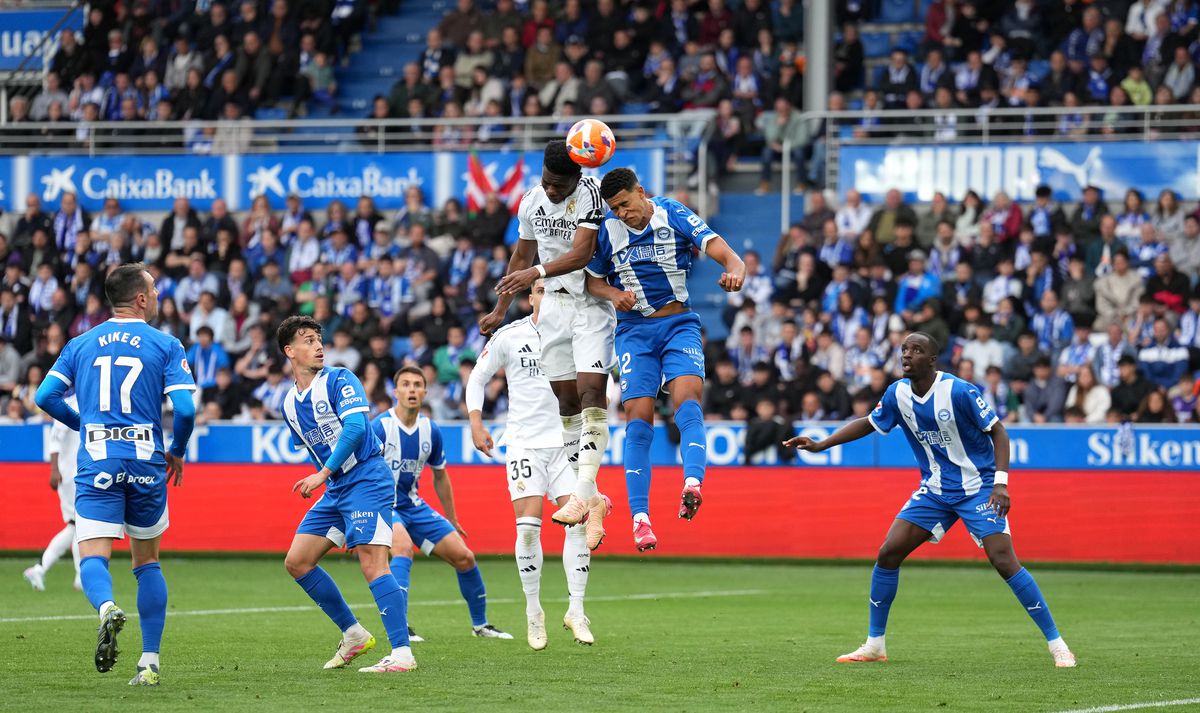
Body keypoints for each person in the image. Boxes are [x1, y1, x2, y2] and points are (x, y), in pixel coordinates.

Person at [783, 332, 1076, 668]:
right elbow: (869, 423)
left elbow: (999, 431)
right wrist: (821, 444)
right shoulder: (898, 393)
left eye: (916, 350)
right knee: (888, 552)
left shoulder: (959, 390)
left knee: (1003, 560)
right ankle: (874, 645)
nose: (907, 355)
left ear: (933, 360)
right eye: (904, 349)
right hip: (935, 489)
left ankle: (1058, 644)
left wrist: (1001, 484)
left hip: (977, 487)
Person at [34, 262, 198, 685]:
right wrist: (176, 452)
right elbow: (184, 409)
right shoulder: (166, 344)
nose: (159, 295)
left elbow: (44, 396)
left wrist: (82, 424)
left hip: (98, 459)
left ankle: (107, 608)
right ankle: (149, 662)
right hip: (145, 459)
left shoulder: (81, 343)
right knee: (147, 562)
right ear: (141, 298)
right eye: (155, 289)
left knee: (93, 556)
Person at [585, 167, 746, 551]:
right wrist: (612, 294)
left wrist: (735, 268)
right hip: (633, 333)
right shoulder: (608, 230)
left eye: (625, 204)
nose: (622, 213)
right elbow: (591, 280)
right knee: (638, 418)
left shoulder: (671, 212)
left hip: (678, 324)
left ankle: (692, 483)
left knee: (687, 403)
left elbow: (719, 248)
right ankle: (640, 519)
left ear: (641, 192)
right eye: (615, 208)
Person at [482, 140, 615, 551]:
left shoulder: (591, 194)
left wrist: (535, 271)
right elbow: (521, 256)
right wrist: (502, 307)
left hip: (589, 301)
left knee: (593, 390)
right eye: (546, 182)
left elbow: (580, 253)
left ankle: (582, 491)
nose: (552, 190)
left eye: (559, 185)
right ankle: (593, 499)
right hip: (553, 306)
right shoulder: (531, 202)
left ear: (576, 177)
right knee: (567, 401)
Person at [276, 316, 415, 674]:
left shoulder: (340, 378)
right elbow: (314, 446)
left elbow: (355, 427)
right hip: (337, 487)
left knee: (373, 564)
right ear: (289, 351)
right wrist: (325, 476)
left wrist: (321, 474)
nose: (318, 345)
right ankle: (353, 633)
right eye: (307, 340)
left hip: (367, 477)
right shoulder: (289, 404)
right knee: (297, 561)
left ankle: (402, 654)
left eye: (319, 339)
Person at [466, 280, 595, 649]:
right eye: (541, 290)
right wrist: (476, 422)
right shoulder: (510, 334)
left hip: (567, 444)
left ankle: (577, 610)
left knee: (578, 526)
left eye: (555, 291)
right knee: (527, 530)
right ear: (530, 297)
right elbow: (478, 377)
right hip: (524, 444)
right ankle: (534, 614)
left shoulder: (577, 333)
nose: (547, 296)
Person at [372, 366, 512, 641]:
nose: (412, 389)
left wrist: (452, 518)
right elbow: (357, 472)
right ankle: (401, 628)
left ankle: (480, 625)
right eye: (406, 384)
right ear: (395, 391)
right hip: (383, 505)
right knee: (402, 549)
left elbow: (440, 476)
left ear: (425, 392)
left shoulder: (430, 430)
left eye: (417, 385)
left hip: (413, 506)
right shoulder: (380, 426)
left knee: (465, 557)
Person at [23, 393, 82, 593]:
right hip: (69, 475)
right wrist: (54, 469)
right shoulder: (68, 405)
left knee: (74, 527)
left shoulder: (85, 400)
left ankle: (39, 569)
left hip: (79, 473)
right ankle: (81, 577)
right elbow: (55, 439)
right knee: (79, 524)